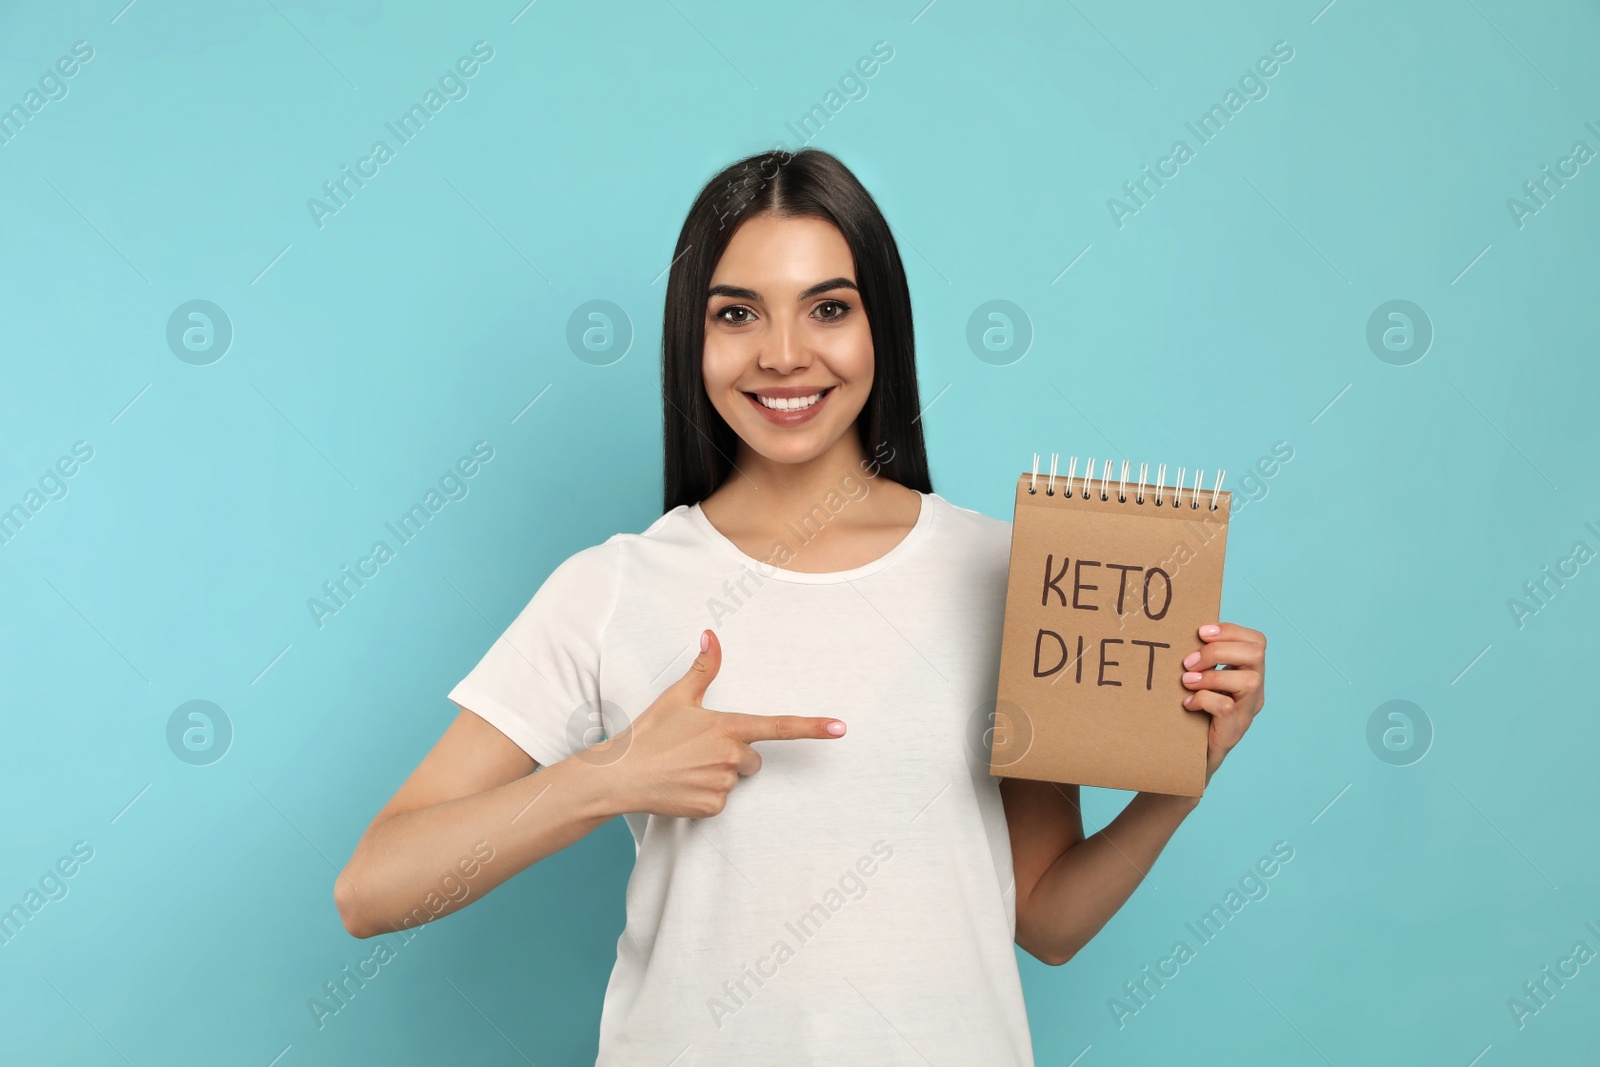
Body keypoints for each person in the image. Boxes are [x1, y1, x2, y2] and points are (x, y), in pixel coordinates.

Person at [334, 147, 1268, 1065]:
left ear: (881, 329)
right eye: (737, 313)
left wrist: (1178, 776)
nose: (785, 355)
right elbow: (371, 888)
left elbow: (1048, 919)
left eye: (829, 308)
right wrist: (611, 774)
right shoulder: (614, 585)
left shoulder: (1007, 572)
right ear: (691, 339)